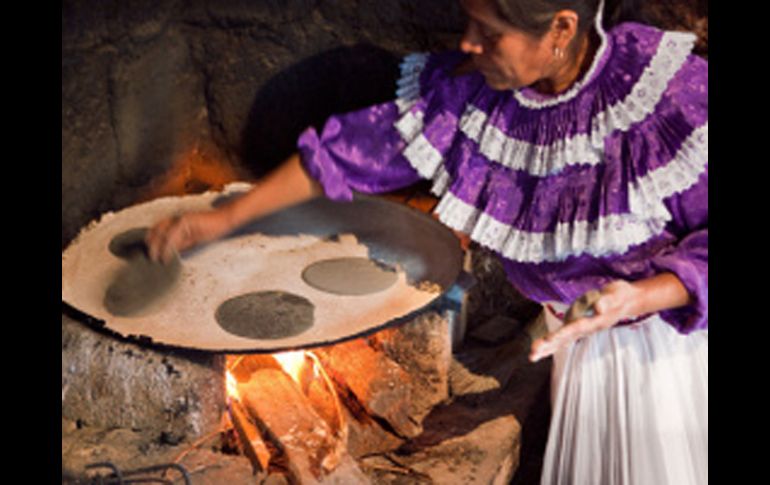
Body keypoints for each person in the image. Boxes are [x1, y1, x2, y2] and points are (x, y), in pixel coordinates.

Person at [147, 0, 707, 482]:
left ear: (561, 29)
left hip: (651, 359)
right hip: (576, 344)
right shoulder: (474, 92)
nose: (468, 43)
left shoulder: (662, 101)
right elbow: (347, 153)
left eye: (490, 33)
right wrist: (226, 218)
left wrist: (636, 298)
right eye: (469, 21)